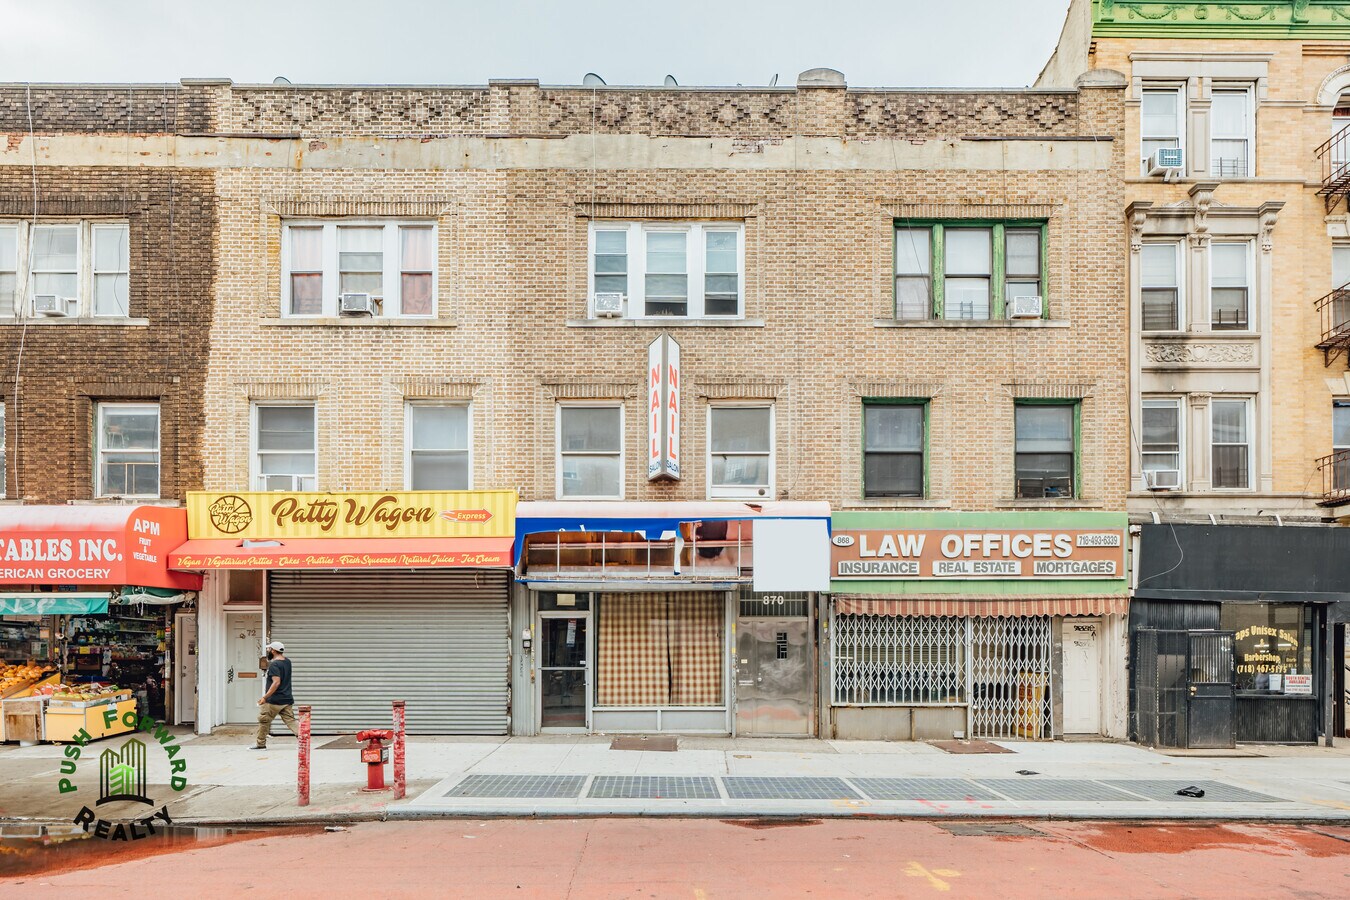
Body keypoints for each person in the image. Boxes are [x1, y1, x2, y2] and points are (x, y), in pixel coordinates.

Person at [251, 641, 296, 750]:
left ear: (274, 651)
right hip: (286, 699)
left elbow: (276, 682)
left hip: (273, 701)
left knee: (264, 721)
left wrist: (264, 697)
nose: (268, 651)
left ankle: (260, 744)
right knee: (291, 721)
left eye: (269, 649)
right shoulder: (287, 662)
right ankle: (304, 740)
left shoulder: (274, 665)